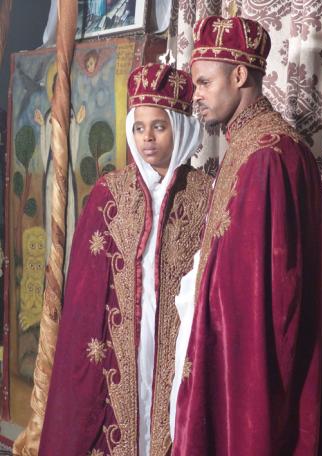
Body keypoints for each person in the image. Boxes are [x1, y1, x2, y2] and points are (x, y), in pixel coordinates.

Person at [171, 16, 322, 456]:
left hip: (249, 369)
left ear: (238, 74)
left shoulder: (268, 155)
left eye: (205, 83)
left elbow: (270, 296)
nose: (196, 96)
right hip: (232, 354)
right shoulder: (253, 147)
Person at [38, 63, 212, 456]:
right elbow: (84, 299)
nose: (147, 138)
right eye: (139, 127)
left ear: (180, 127)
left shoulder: (205, 194)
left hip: (177, 345)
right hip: (118, 350)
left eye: (159, 126)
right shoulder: (109, 193)